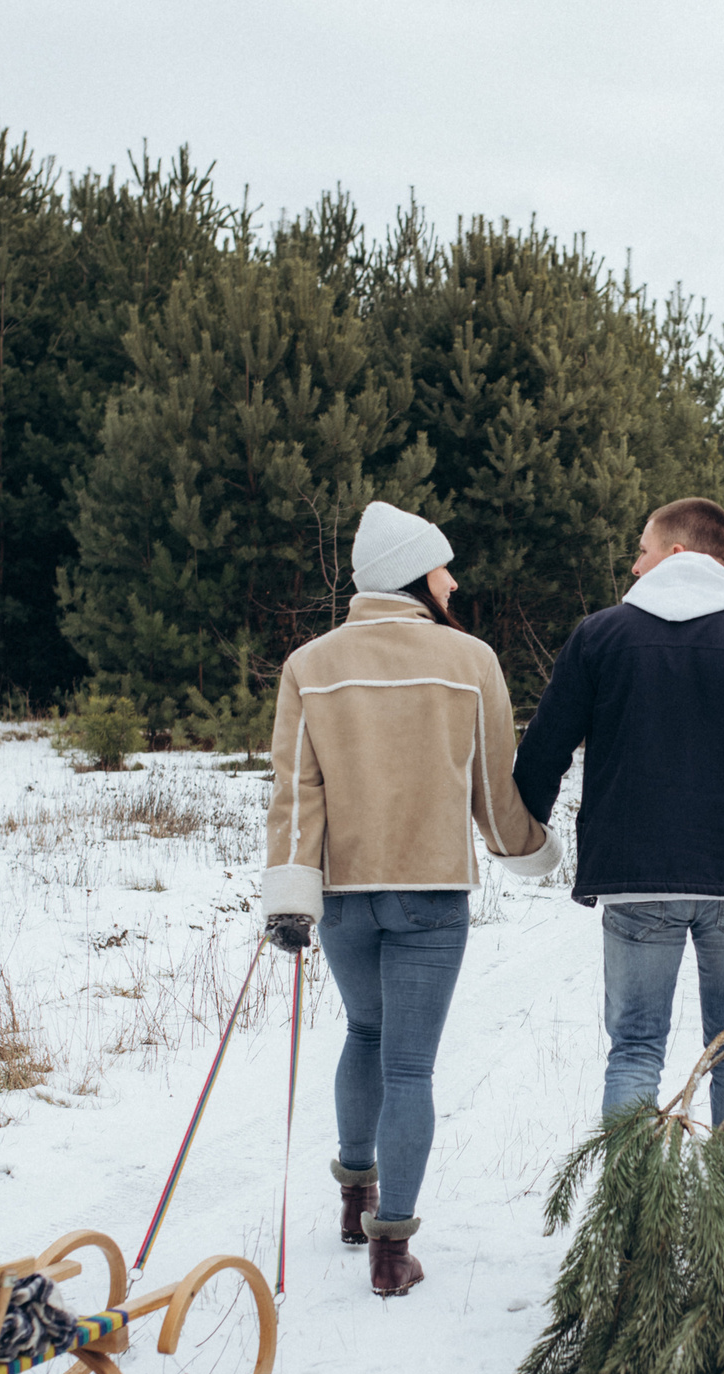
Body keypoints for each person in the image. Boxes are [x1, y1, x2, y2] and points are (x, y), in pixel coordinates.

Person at [512, 497, 724, 1243]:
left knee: (635, 1047)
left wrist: (522, 834)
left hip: (635, 877)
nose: (633, 566)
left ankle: (628, 1223)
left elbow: (544, 747)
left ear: (675, 553)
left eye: (641, 550)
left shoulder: (601, 635)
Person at [260, 500, 560, 1297]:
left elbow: (296, 794)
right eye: (442, 568)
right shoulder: (471, 660)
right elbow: (494, 794)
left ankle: (354, 1201)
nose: (453, 582)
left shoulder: (308, 665)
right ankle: (391, 1253)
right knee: (410, 1065)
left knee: (364, 1031)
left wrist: (291, 894)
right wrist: (535, 850)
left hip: (344, 896)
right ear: (412, 575)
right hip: (430, 895)